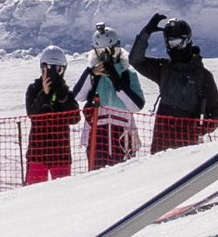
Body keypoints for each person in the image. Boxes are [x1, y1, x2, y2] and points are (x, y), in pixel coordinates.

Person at [131, 15, 218, 150]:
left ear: (187, 41)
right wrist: (146, 33)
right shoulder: (164, 69)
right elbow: (136, 60)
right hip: (160, 146)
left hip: (186, 148)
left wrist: (204, 128)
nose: (173, 47)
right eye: (169, 43)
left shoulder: (203, 76)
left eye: (177, 42)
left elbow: (215, 113)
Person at [73, 26, 146, 168]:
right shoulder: (93, 74)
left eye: (110, 51)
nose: (106, 57)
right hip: (97, 134)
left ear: (117, 49)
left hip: (123, 134)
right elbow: (78, 96)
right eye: (101, 52)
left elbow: (136, 105)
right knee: (97, 176)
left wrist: (117, 81)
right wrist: (91, 74)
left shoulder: (128, 74)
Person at [23, 47, 80, 184]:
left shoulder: (65, 91)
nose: (54, 72)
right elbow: (32, 115)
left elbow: (75, 118)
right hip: (37, 153)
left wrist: (62, 96)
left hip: (60, 154)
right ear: (42, 67)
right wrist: (44, 93)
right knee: (33, 194)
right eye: (49, 67)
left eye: (58, 68)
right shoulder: (33, 88)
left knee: (62, 194)